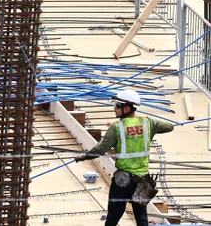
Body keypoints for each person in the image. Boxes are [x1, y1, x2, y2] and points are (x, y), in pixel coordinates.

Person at [75, 89, 174, 226]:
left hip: (123, 180)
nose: (114, 108)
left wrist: (84, 156)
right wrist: (148, 126)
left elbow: (100, 149)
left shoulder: (117, 128)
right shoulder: (148, 123)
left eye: (117, 106)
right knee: (141, 218)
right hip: (142, 180)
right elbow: (170, 126)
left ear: (126, 108)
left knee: (113, 218)